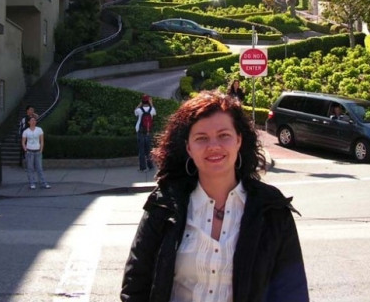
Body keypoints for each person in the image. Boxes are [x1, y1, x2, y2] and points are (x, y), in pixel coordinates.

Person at [121, 90, 309, 302]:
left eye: (224, 135)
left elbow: (291, 293)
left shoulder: (271, 210)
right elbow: (135, 286)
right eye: (201, 138)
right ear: (188, 148)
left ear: (239, 140)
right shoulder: (164, 205)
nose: (214, 146)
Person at [21, 116, 50, 190]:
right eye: (32, 120)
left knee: (39, 168)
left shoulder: (39, 130)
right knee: (30, 168)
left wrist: (41, 149)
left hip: (37, 151)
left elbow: (42, 140)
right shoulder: (26, 131)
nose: (33, 122)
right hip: (29, 151)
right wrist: (25, 149)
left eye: (34, 120)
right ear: (29, 122)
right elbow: (23, 142)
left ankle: (43, 182)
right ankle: (32, 183)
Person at [135, 94, 156, 172]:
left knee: (141, 150)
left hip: (140, 132)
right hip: (148, 131)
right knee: (148, 150)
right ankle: (150, 166)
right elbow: (154, 113)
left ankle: (143, 168)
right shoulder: (152, 109)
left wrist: (140, 104)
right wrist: (151, 103)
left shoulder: (139, 110)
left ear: (142, 101)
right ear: (148, 101)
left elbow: (135, 112)